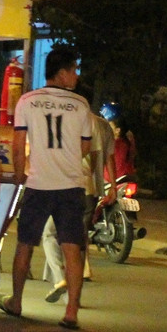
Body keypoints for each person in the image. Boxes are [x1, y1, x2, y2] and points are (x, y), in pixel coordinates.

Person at [0, 45, 91, 330]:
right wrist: (67, 158)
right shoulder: (81, 105)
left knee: (26, 243)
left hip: (38, 183)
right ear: (62, 74)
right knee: (72, 248)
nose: (76, 76)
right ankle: (71, 312)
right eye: (73, 70)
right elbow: (85, 147)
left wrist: (18, 174)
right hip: (71, 185)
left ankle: (16, 300)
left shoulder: (27, 101)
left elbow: (17, 143)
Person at [41, 111, 116, 301]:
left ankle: (60, 279)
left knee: (50, 234)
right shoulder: (101, 125)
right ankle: (73, 297)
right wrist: (112, 187)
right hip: (89, 189)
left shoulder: (65, 120)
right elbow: (107, 158)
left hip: (63, 186)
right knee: (77, 241)